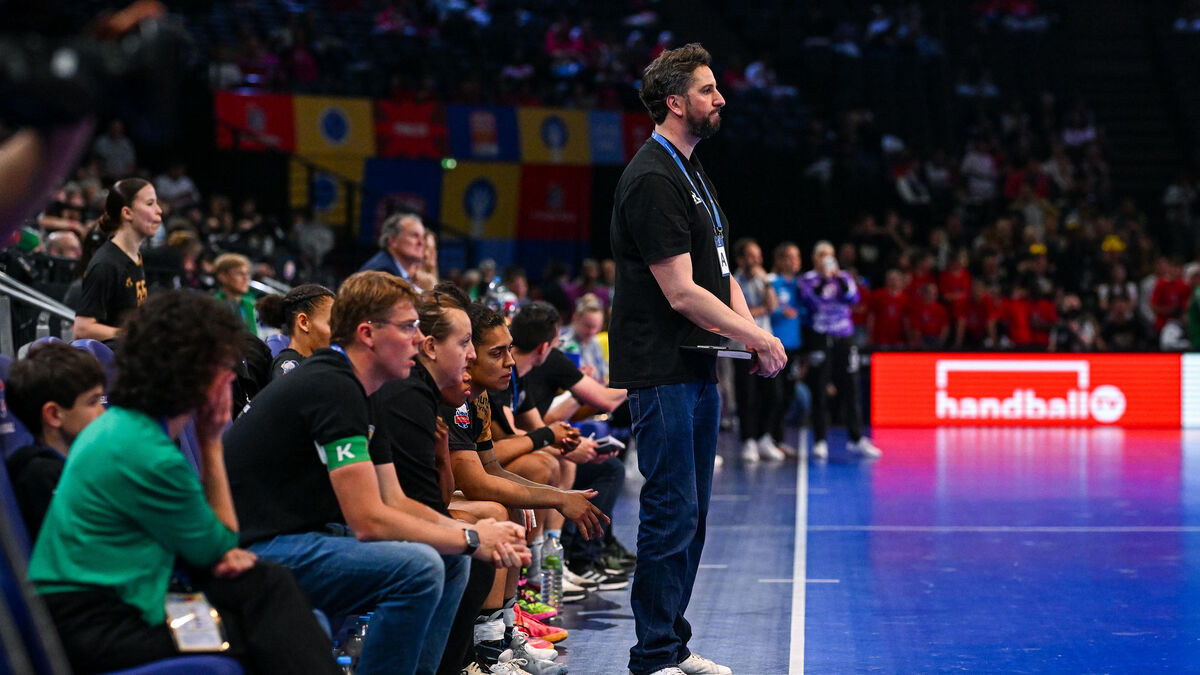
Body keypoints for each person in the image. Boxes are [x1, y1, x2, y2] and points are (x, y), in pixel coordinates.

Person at [223, 271, 528, 675]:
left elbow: (395, 501)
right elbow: (368, 522)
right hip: (255, 549)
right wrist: (472, 536)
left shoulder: (368, 391)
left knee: (452, 560)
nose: (419, 341)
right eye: (407, 328)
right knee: (420, 568)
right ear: (368, 334)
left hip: (304, 535)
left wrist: (464, 541)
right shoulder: (332, 386)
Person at [29, 291, 337, 674]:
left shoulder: (131, 428)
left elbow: (217, 549)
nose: (232, 377)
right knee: (272, 620)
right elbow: (223, 545)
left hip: (114, 606)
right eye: (224, 367)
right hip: (99, 627)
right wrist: (210, 441)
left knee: (269, 590)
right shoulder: (145, 451)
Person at [609, 43, 785, 675]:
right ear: (676, 102)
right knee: (669, 511)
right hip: (661, 371)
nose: (721, 99)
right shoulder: (653, 177)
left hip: (697, 366)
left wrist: (750, 329)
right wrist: (758, 340)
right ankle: (652, 655)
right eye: (710, 90)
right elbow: (682, 292)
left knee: (694, 514)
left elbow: (719, 273)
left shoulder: (691, 173)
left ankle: (673, 644)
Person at [367, 287, 558, 674]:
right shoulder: (411, 394)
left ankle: (496, 637)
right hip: (326, 533)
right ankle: (477, 655)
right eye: (468, 344)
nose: (472, 356)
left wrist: (555, 496)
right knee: (473, 541)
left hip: (374, 515)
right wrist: (472, 537)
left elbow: (426, 497)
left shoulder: (446, 394)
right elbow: (464, 487)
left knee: (487, 529)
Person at [5, 342, 106, 539]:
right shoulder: (40, 476)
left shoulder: (81, 464)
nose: (103, 413)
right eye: (93, 402)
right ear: (53, 414)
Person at [798, 240, 881, 461]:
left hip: (844, 335)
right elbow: (810, 301)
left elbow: (854, 298)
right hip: (820, 336)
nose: (827, 259)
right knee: (819, 388)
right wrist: (824, 280)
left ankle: (856, 439)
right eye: (823, 255)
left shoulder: (844, 277)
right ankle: (820, 441)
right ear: (815, 259)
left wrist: (836, 279)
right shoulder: (808, 279)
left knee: (851, 386)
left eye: (830, 255)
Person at [72, 177, 158, 341]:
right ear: (127, 213)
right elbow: (82, 329)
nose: (159, 210)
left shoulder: (134, 257)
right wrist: (132, 335)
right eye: (150, 203)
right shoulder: (105, 264)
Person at [731, 237, 785, 463]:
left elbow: (772, 307)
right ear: (741, 259)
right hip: (741, 347)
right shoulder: (732, 280)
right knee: (747, 396)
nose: (757, 260)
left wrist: (766, 283)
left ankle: (764, 438)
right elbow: (734, 312)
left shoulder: (765, 280)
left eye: (759, 256)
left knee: (773, 395)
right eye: (752, 256)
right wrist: (754, 311)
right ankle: (748, 442)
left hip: (765, 346)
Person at [256, 283, 336, 380]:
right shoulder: (290, 365)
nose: (337, 332)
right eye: (331, 324)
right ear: (304, 322)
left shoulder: (318, 364)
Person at [360, 212, 428, 290]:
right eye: (414, 236)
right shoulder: (382, 274)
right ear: (393, 240)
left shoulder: (402, 272)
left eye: (423, 237)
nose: (421, 242)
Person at [213, 252, 258, 336]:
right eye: (239, 273)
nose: (246, 278)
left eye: (247, 273)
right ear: (222, 277)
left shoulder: (250, 304)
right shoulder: (214, 305)